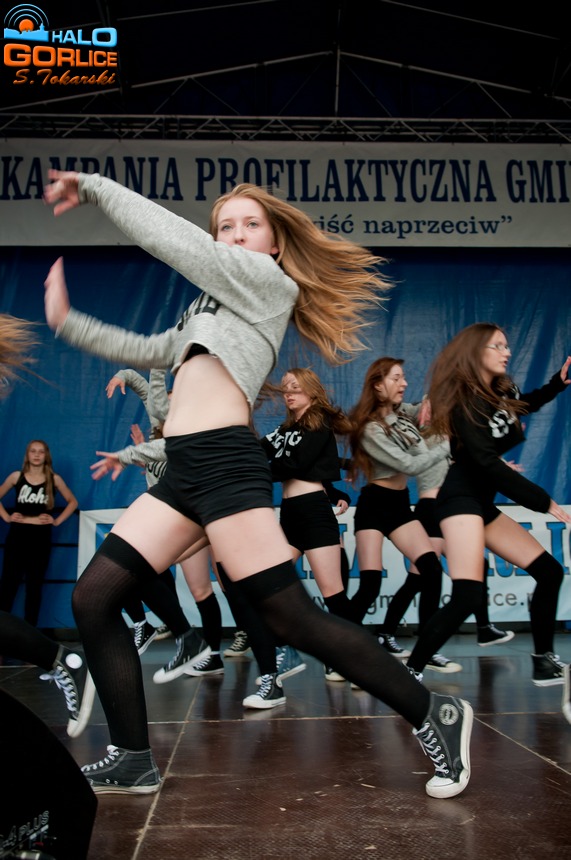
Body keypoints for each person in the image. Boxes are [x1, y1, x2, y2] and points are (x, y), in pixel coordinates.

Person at [42, 170, 473, 801]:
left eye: (251, 224)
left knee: (291, 618)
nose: (236, 234)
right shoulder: (209, 305)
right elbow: (155, 348)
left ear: (274, 243)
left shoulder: (268, 284)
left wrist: (97, 188)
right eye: (226, 226)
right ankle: (132, 757)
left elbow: (178, 244)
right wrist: (67, 322)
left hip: (224, 464)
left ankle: (434, 711)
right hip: (184, 467)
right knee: (94, 597)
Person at [405, 323, 570, 689]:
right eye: (497, 345)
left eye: (507, 345)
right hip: (459, 499)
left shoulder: (499, 392)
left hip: (481, 502)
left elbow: (520, 407)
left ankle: (543, 661)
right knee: (467, 595)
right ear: (476, 351)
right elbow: (485, 461)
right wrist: (542, 500)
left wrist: (556, 385)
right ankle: (410, 672)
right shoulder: (463, 400)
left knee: (549, 572)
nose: (506, 352)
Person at [348, 358, 457, 672]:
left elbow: (431, 406)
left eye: (404, 377)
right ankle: (340, 651)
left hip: (399, 505)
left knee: (431, 571)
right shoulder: (370, 428)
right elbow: (409, 465)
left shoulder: (403, 414)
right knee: (370, 586)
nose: (404, 383)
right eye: (396, 378)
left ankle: (426, 649)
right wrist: (446, 445)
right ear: (377, 385)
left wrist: (437, 395)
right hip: (374, 505)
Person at [261, 367, 354, 682]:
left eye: (295, 387)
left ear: (311, 391)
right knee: (270, 584)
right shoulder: (288, 428)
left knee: (333, 593)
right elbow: (263, 448)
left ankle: (353, 658)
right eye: (285, 388)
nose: (288, 393)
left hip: (313, 514)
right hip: (290, 515)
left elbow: (298, 464)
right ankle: (286, 651)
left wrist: (260, 470)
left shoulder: (319, 422)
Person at [0, 439, 78, 627]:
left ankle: (30, 636)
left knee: (34, 587)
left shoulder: (54, 479)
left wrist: (56, 521)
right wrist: (7, 517)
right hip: (17, 536)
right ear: (27, 455)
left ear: (46, 455)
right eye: (33, 451)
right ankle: (3, 635)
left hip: (41, 538)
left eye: (40, 451)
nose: (36, 455)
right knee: (8, 585)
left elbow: (73, 502)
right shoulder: (16, 477)